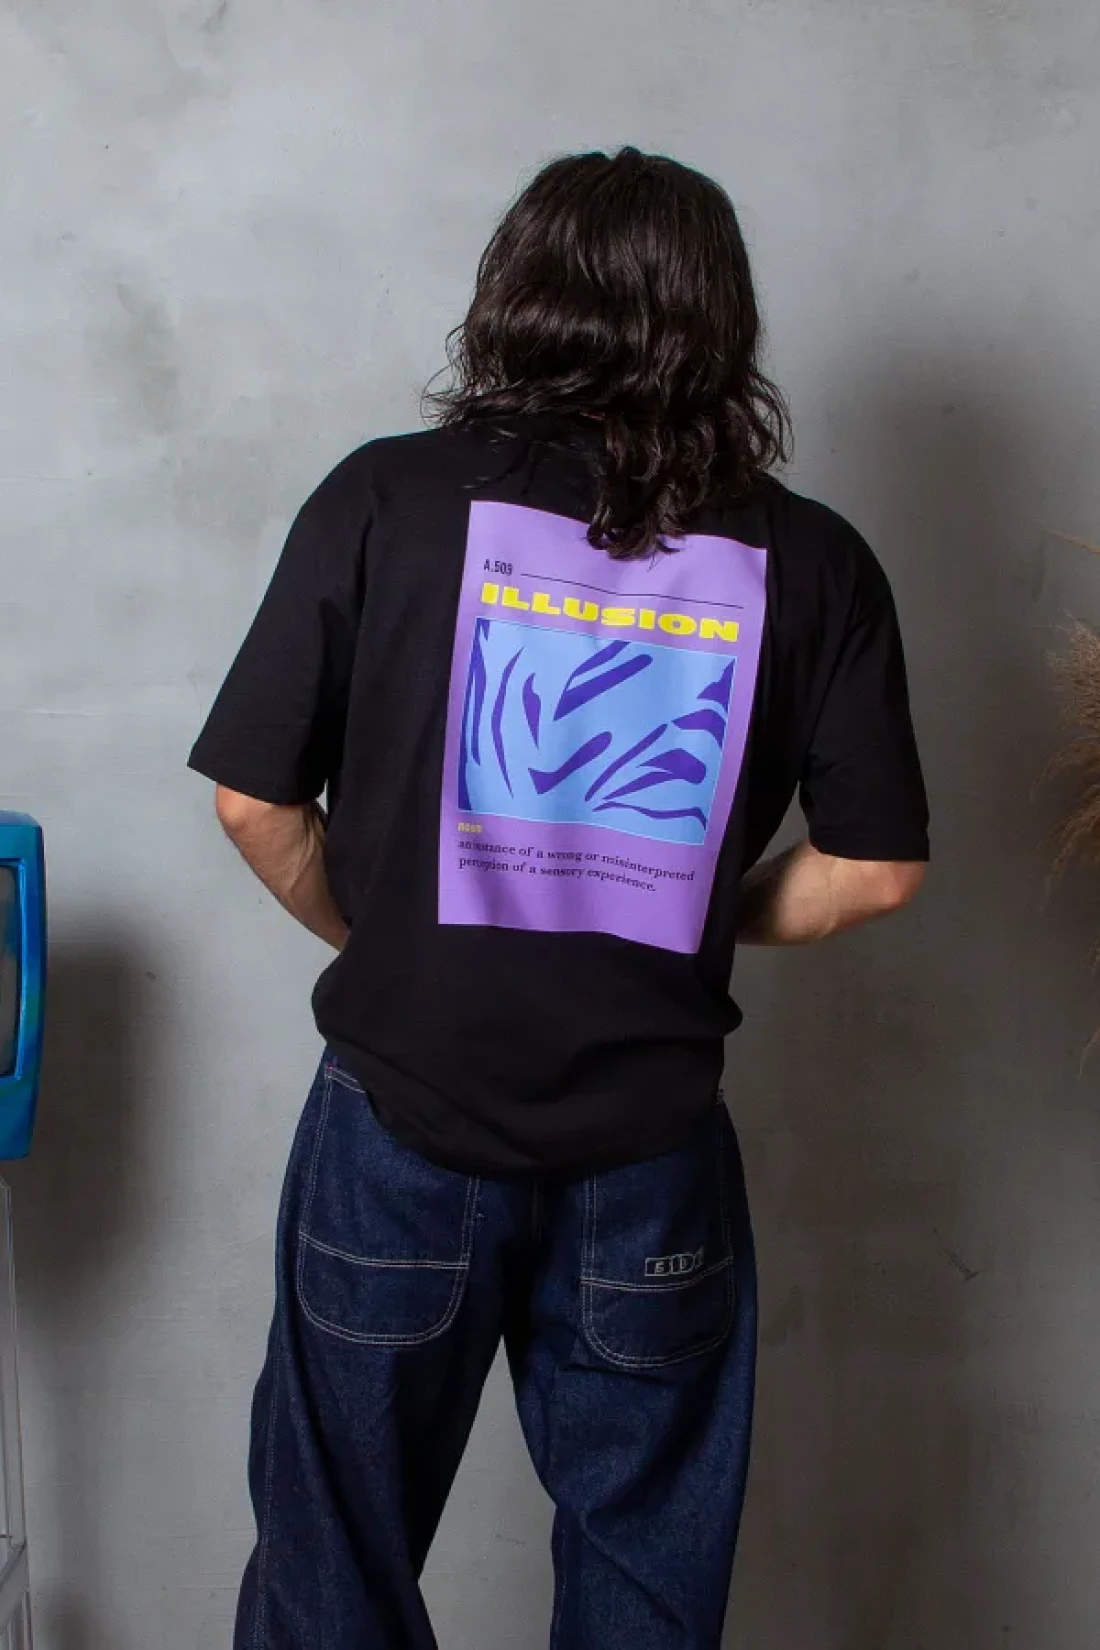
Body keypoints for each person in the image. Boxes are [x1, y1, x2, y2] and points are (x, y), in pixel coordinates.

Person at [189, 147, 928, 1650]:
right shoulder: (817, 560)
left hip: (400, 1126)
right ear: (720, 319)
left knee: (334, 1574)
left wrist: (383, 931)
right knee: (646, 1588)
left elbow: (255, 800)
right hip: (651, 1153)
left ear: (514, 295)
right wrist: (685, 910)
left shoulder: (386, 497)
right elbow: (875, 867)